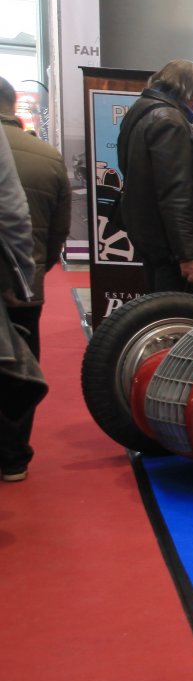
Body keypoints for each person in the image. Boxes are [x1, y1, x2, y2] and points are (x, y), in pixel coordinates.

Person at [115, 59, 193, 293]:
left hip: (154, 238)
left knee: (160, 307)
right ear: (190, 92)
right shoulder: (170, 121)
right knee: (179, 311)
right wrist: (188, 254)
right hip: (172, 250)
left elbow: (156, 170)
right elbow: (174, 195)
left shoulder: (142, 109)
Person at [1, 74, 71, 358]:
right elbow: (59, 229)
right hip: (24, 282)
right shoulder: (48, 156)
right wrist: (38, 265)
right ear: (12, 104)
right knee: (24, 360)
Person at [0, 127, 45, 482]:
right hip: (14, 285)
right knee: (14, 362)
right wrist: (23, 277)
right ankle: (13, 457)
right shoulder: (45, 156)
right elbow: (13, 213)